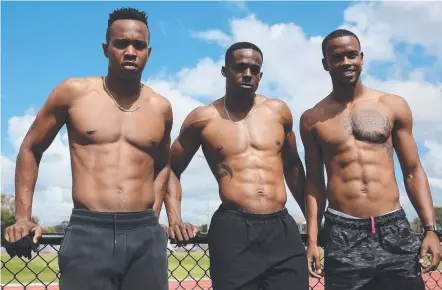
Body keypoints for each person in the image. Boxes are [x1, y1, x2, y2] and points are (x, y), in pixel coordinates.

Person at [4, 7, 172, 290]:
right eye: (121, 44)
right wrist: (23, 217)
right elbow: (31, 148)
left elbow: (163, 164)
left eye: (139, 45)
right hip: (89, 230)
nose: (130, 51)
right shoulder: (73, 93)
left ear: (149, 52)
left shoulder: (162, 108)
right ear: (106, 49)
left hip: (145, 234)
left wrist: (153, 217)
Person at [301, 29, 441, 290]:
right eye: (337, 57)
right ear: (325, 64)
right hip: (342, 233)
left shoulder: (392, 105)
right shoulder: (312, 119)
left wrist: (430, 229)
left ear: (362, 58)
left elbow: (412, 170)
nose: (346, 62)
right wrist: (312, 240)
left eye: (351, 55)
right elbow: (314, 184)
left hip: (393, 228)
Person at [165, 41, 309, 290]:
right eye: (240, 67)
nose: (248, 74)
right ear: (225, 70)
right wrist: (175, 219)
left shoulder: (278, 112)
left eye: (255, 69)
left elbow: (294, 166)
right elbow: (169, 168)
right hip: (234, 227)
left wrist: (313, 223)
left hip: (281, 226)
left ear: (261, 75)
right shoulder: (204, 118)